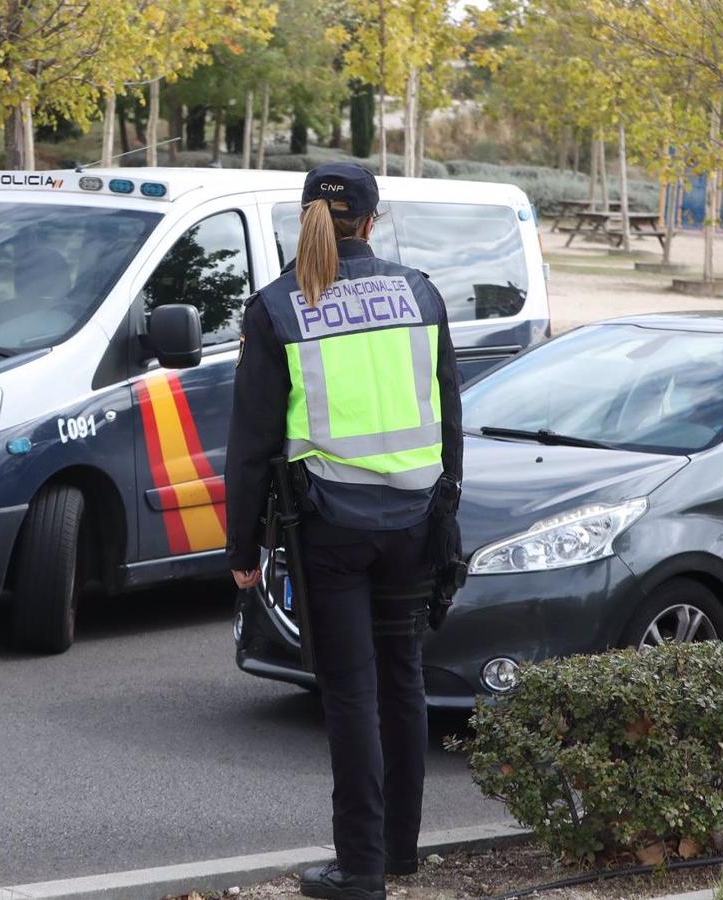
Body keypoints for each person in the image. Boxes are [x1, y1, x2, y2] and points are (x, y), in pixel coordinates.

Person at [224, 162, 463, 900]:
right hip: (416, 523)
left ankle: (358, 869)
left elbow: (251, 446)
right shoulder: (421, 294)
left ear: (305, 220)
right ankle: (399, 855)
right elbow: (450, 420)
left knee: (352, 694)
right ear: (373, 217)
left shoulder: (277, 309)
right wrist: (445, 520)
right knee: (403, 683)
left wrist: (242, 553)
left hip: (330, 531)